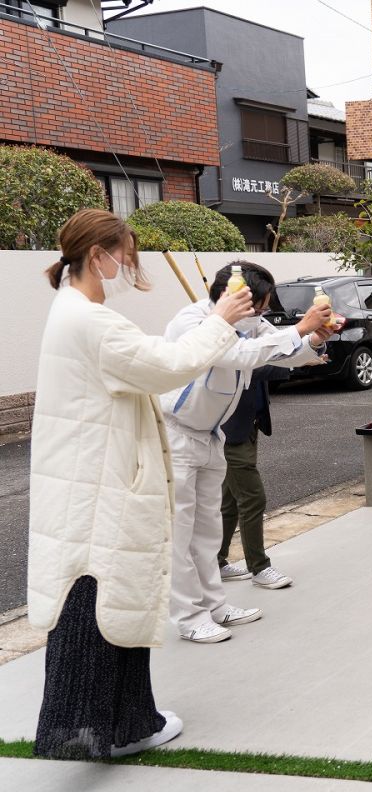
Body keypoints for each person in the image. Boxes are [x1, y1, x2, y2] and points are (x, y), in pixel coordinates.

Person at [27, 209, 254, 758]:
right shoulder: (91, 321)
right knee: (105, 600)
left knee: (104, 598)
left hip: (89, 476)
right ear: (98, 255)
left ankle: (125, 723)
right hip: (101, 480)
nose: (126, 265)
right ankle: (105, 730)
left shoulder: (72, 309)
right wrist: (221, 319)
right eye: (123, 255)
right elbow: (168, 364)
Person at [162, 263, 332, 643]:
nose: (262, 314)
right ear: (238, 297)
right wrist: (300, 329)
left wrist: (314, 339)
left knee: (205, 532)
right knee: (180, 533)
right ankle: (190, 617)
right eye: (261, 304)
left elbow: (282, 352)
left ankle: (214, 605)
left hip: (210, 434)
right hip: (174, 435)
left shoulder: (250, 322)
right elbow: (238, 354)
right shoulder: (193, 321)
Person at [218, 364, 291, 588]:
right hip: (229, 430)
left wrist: (310, 346)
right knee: (252, 497)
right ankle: (259, 567)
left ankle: (215, 562)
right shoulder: (226, 333)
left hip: (248, 424)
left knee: (230, 500)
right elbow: (249, 366)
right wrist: (297, 359)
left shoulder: (253, 328)